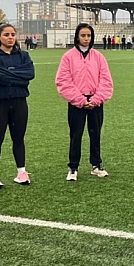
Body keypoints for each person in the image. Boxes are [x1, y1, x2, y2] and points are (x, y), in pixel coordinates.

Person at [55, 23, 114, 181]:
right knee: (76, 135)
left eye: (88, 36)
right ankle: (73, 167)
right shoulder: (68, 57)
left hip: (96, 102)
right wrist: (80, 100)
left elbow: (106, 80)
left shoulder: (99, 57)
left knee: (95, 134)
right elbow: (63, 81)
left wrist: (96, 99)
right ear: (77, 36)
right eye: (83, 35)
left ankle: (96, 165)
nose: (86, 39)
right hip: (76, 103)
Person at [0, 23, 35, 189]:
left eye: (13, 34)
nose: (10, 37)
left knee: (18, 139)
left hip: (19, 101)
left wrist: (9, 72)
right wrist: (18, 75)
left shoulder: (24, 55)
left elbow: (30, 74)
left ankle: (21, 172)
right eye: (6, 34)